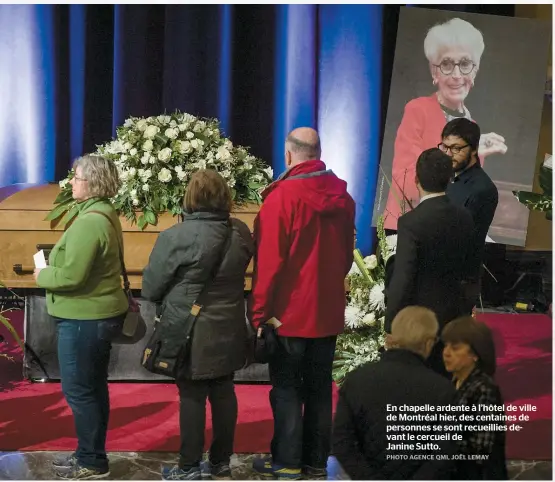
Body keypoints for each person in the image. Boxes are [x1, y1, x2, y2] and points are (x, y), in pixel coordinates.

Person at [249, 127, 355, 480]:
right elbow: (345, 260)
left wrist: (260, 314)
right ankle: (314, 462)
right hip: (327, 311)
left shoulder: (282, 198)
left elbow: (269, 264)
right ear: (318, 152)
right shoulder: (344, 197)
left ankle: (287, 462)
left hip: (288, 315)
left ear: (289, 155)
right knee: (320, 390)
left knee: (288, 390)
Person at [142, 169, 254, 481]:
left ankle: (189, 467)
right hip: (230, 326)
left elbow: (151, 288)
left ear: (190, 198)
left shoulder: (177, 236)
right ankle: (221, 463)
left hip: (189, 330)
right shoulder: (241, 232)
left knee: (192, 396)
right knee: (224, 392)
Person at [34, 154, 129, 480]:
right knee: (92, 389)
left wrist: (42, 274)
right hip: (94, 317)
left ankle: (91, 461)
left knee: (80, 392)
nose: (70, 182)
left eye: (76, 177)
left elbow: (72, 277)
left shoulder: (90, 222)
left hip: (84, 320)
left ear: (93, 184)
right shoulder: (102, 213)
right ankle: (90, 454)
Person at [383, 17, 507, 230]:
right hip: (409, 226)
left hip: (446, 230)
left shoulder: (471, 125)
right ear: (434, 71)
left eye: (466, 64)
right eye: (447, 64)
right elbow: (406, 183)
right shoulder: (418, 109)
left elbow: (465, 192)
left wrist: (478, 155)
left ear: (475, 71)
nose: (457, 75)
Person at [332, 306, 459, 480]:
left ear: (391, 338)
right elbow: (447, 450)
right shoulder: (443, 389)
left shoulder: (357, 380)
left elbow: (342, 442)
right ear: (430, 342)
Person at [384, 148, 474, 376]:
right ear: (449, 179)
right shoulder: (465, 217)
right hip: (454, 315)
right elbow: (470, 268)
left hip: (419, 323)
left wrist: (391, 324)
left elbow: (403, 277)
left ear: (416, 179)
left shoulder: (411, 222)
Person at [442, 118, 499, 313]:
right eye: (445, 147)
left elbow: (466, 239)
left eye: (457, 148)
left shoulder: (483, 189)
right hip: (440, 274)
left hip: (459, 281)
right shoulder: (448, 178)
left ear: (474, 149)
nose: (449, 154)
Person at [442, 316, 508, 479]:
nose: (446, 352)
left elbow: (481, 449)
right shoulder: (455, 380)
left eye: (455, 348)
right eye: (445, 345)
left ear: (476, 354)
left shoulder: (484, 388)